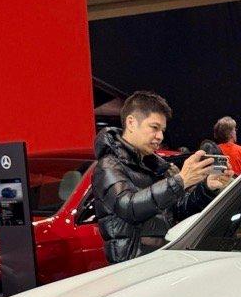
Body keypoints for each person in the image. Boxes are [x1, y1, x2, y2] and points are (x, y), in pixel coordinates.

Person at [91, 91, 230, 265]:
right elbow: (129, 207)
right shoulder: (108, 166)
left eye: (162, 130)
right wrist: (181, 180)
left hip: (162, 260)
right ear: (131, 123)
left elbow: (178, 210)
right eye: (154, 127)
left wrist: (207, 188)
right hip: (132, 267)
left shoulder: (156, 166)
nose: (160, 136)